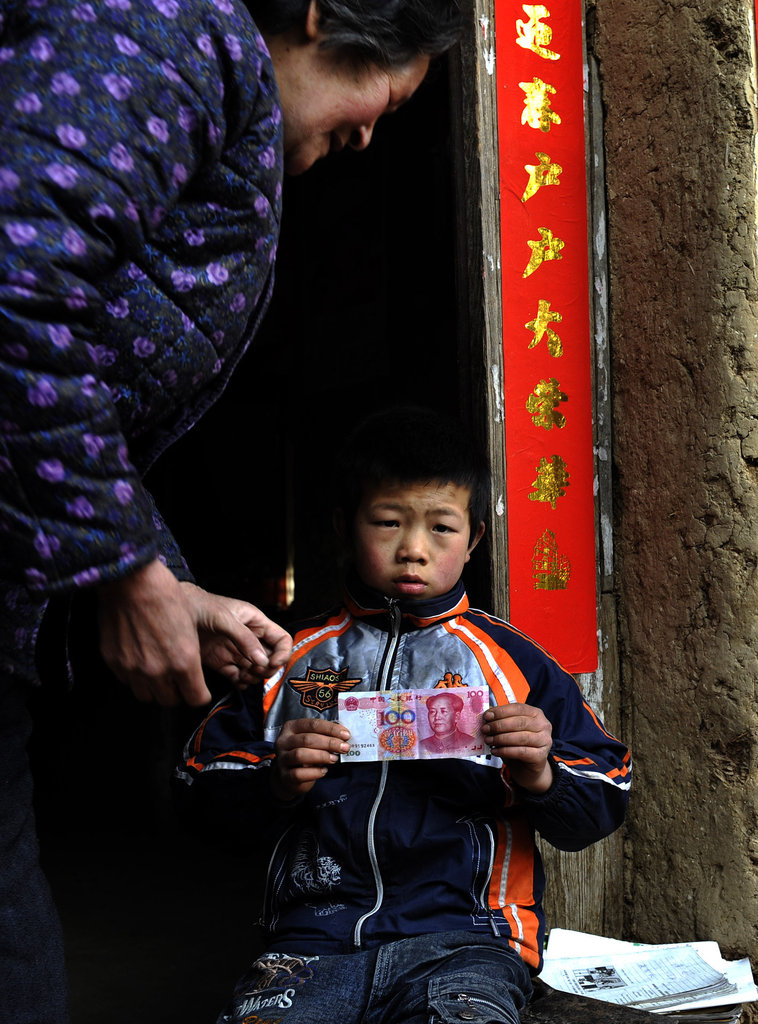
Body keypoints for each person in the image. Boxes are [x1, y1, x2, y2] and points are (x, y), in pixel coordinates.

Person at [0, 3, 463, 1021]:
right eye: (379, 97)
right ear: (312, 13)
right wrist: (124, 569)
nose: (370, 136)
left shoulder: (494, 664)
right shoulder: (177, 33)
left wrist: (174, 584)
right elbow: (16, 276)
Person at [175, 405, 632, 1024]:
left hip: (467, 943)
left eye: (441, 528)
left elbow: (606, 794)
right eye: (388, 522)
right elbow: (197, 785)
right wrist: (275, 780)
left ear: (474, 539)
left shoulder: (513, 664)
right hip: (310, 947)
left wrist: (541, 774)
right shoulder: (289, 654)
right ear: (344, 526)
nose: (413, 549)